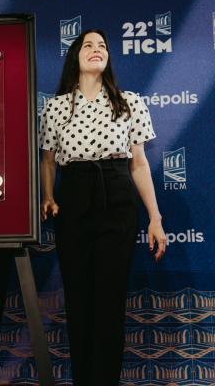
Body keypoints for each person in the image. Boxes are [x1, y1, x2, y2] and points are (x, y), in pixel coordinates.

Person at [39, 29, 167, 385]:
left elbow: (139, 164)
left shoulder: (130, 103)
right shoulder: (55, 106)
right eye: (88, 45)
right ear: (75, 57)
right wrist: (48, 195)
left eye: (103, 46)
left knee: (110, 304)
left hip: (117, 197)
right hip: (75, 197)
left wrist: (155, 218)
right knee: (79, 301)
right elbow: (48, 160)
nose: (96, 50)